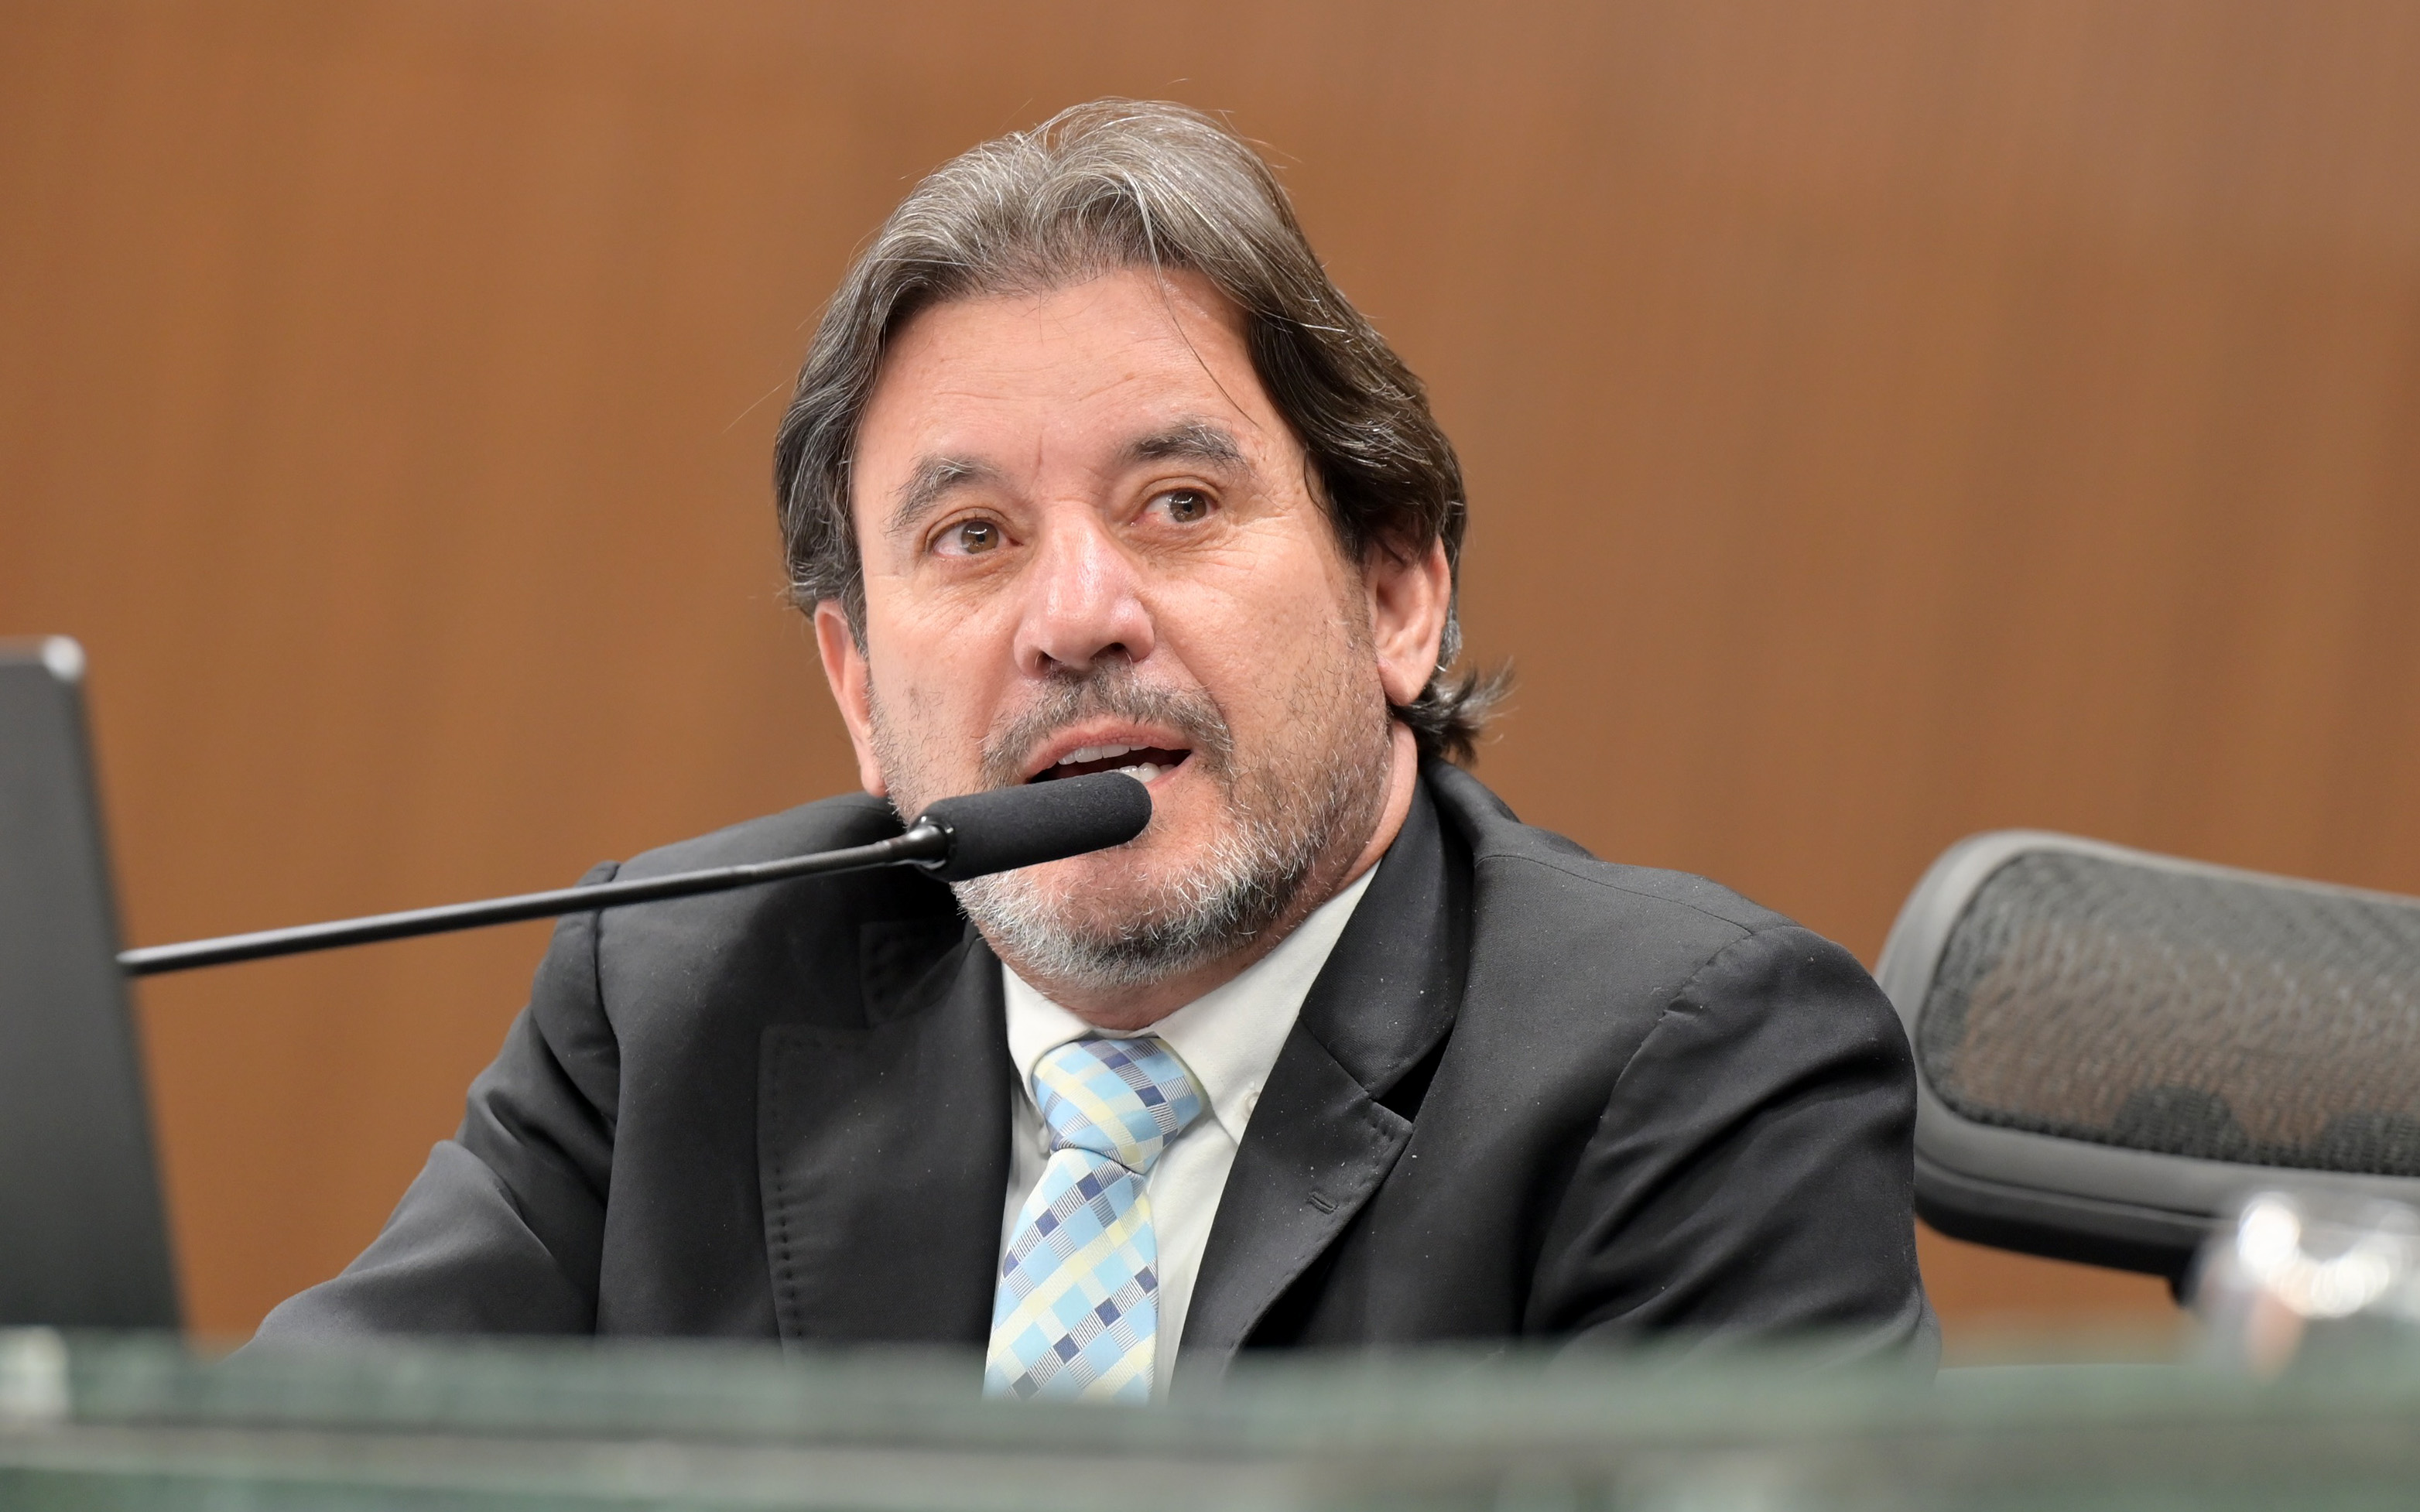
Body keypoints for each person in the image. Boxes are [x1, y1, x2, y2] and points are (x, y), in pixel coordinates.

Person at [256, 100, 1936, 1395]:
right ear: (858, 688)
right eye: (972, 538)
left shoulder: (1693, 1071)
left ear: (1395, 593)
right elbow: (271, 1491)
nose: (1075, 617)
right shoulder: (679, 997)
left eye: (1178, 504)